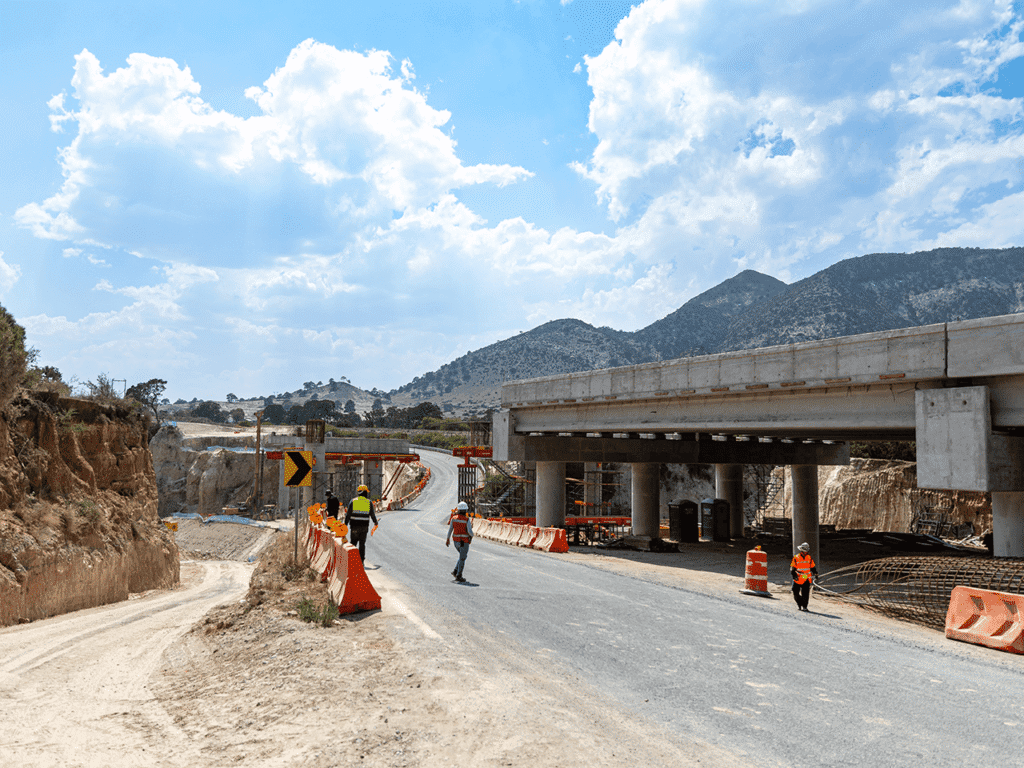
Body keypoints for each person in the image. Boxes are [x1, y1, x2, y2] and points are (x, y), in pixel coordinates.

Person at [345, 484, 378, 564]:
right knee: (362, 544)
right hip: (364, 527)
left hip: (354, 527)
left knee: (353, 543)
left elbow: (348, 514)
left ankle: (351, 560)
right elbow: (372, 514)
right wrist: (375, 522)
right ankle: (361, 561)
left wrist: (345, 525)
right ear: (365, 493)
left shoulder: (353, 501)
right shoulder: (369, 502)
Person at [446, 501, 473, 583]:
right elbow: (470, 532)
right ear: (465, 510)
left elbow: (450, 530)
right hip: (464, 542)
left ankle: (455, 571)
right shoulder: (466, 519)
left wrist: (448, 539)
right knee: (463, 557)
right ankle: (458, 575)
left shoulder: (453, 518)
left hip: (455, 542)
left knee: (462, 556)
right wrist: (472, 536)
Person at [790, 542, 818, 612]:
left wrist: (815, 574)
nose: (805, 553)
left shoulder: (809, 558)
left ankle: (804, 606)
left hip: (806, 576)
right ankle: (800, 604)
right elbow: (792, 567)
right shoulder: (796, 557)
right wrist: (794, 575)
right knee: (795, 591)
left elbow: (813, 567)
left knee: (805, 593)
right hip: (798, 576)